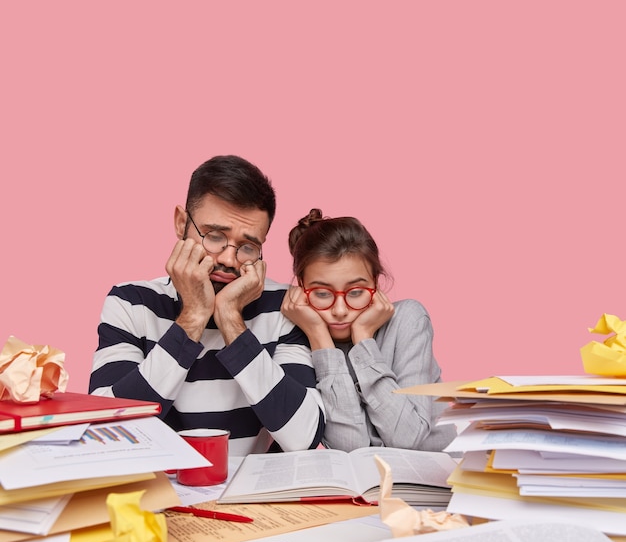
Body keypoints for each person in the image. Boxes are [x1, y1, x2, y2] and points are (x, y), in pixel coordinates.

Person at [89, 156, 325, 455]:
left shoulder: (285, 306)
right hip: (155, 494)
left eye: (248, 247)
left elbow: (303, 437)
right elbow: (106, 434)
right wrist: (194, 316)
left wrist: (230, 318)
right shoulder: (131, 303)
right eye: (214, 236)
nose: (228, 259)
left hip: (250, 498)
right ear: (180, 223)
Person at [281, 208, 456, 452]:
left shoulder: (408, 319)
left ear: (375, 283)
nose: (340, 310)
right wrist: (319, 338)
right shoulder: (298, 336)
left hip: (436, 480)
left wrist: (363, 339)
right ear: (301, 287)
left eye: (355, 293)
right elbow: (350, 447)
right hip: (365, 485)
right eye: (322, 293)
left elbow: (408, 437)